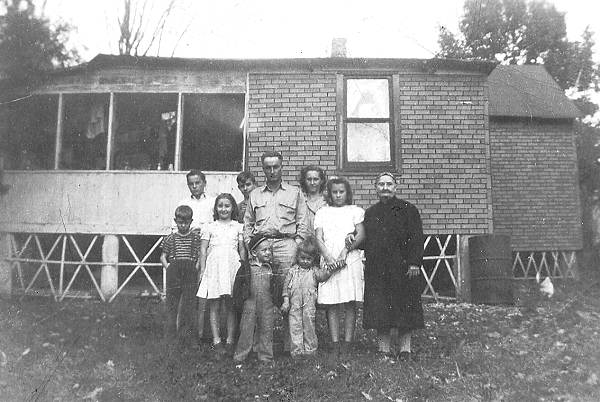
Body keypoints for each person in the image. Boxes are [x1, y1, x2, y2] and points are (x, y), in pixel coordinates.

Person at [243, 150, 309, 353]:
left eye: (276, 167)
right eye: (267, 167)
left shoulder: (294, 192)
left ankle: (291, 344)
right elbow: (248, 223)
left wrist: (296, 244)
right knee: (260, 296)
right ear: (263, 169)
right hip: (261, 246)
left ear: (282, 167)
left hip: (285, 246)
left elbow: (303, 223)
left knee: (287, 293)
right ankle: (261, 345)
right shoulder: (254, 194)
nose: (272, 171)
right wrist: (250, 245)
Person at [359, 172, 425, 359]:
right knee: (380, 310)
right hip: (378, 269)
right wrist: (351, 237)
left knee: (405, 308)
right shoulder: (371, 213)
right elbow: (366, 240)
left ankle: (405, 350)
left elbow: (417, 238)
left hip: (403, 268)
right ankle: (383, 350)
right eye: (381, 184)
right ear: (376, 188)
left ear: (395, 187)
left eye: (389, 184)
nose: (385, 188)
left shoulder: (408, 209)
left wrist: (414, 262)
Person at [314, 177, 365, 359]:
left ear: (347, 193)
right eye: (334, 192)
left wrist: (345, 252)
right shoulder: (322, 212)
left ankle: (348, 342)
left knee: (350, 301)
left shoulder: (355, 211)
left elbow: (361, 234)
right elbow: (318, 237)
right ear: (329, 193)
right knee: (332, 302)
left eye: (341, 192)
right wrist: (328, 257)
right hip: (329, 259)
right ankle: (335, 342)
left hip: (349, 260)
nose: (338, 195)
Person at [197, 193, 247, 354]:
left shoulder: (238, 226)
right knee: (214, 303)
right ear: (216, 208)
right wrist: (203, 269)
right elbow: (203, 250)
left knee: (231, 304)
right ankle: (216, 340)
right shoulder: (210, 227)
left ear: (233, 208)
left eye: (227, 206)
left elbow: (241, 249)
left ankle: (231, 339)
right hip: (214, 266)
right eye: (220, 206)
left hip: (232, 265)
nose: (223, 209)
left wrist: (243, 267)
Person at [280, 237, 330, 358]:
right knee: (295, 326)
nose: (305, 261)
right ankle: (297, 351)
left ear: (313, 259)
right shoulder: (292, 271)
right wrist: (286, 301)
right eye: (302, 258)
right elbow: (286, 288)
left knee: (309, 325)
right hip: (294, 304)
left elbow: (323, 276)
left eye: (309, 259)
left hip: (309, 304)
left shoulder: (314, 271)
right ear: (297, 257)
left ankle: (310, 350)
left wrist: (329, 270)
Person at [160, 205, 202, 345]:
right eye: (180, 222)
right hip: (175, 271)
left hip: (189, 272)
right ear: (175, 221)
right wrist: (169, 268)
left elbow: (198, 256)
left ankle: (187, 336)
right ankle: (170, 336)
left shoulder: (195, 238)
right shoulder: (170, 238)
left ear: (191, 222)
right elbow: (163, 257)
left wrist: (195, 269)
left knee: (189, 305)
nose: (183, 225)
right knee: (172, 304)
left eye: (186, 222)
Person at [234, 235, 275, 363]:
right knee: (246, 330)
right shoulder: (246, 268)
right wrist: (239, 302)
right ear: (253, 253)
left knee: (266, 330)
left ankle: (266, 357)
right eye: (264, 250)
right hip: (249, 305)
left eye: (269, 249)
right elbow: (238, 286)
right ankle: (240, 357)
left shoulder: (271, 268)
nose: (268, 252)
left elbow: (276, 288)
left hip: (267, 305)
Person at [298, 165, 327, 233]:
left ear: (321, 181)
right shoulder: (299, 200)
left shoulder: (328, 201)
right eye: (309, 179)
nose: (312, 183)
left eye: (316, 179)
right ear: (304, 181)